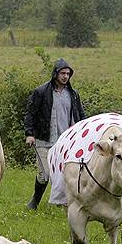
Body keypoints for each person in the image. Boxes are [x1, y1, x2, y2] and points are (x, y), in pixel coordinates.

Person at [23, 57, 86, 209]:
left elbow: (80, 116)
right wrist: (29, 133)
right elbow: (30, 113)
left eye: (68, 74)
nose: (65, 76)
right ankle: (34, 202)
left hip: (66, 141)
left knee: (65, 173)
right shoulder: (41, 92)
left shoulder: (73, 94)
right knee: (45, 174)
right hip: (44, 139)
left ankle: (61, 202)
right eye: (62, 73)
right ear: (55, 74)